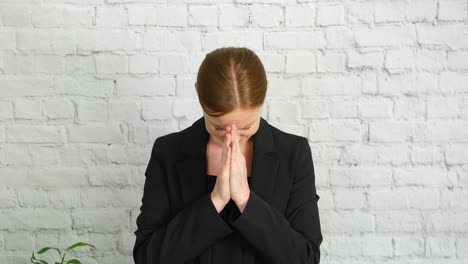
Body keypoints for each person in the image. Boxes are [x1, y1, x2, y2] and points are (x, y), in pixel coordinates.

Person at [133, 47, 323, 264]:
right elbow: (147, 257)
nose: (233, 136)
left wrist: (245, 199)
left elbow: (306, 258)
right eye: (219, 128)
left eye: (247, 126)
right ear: (198, 94)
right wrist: (216, 201)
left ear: (265, 94)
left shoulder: (293, 153)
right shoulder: (168, 152)